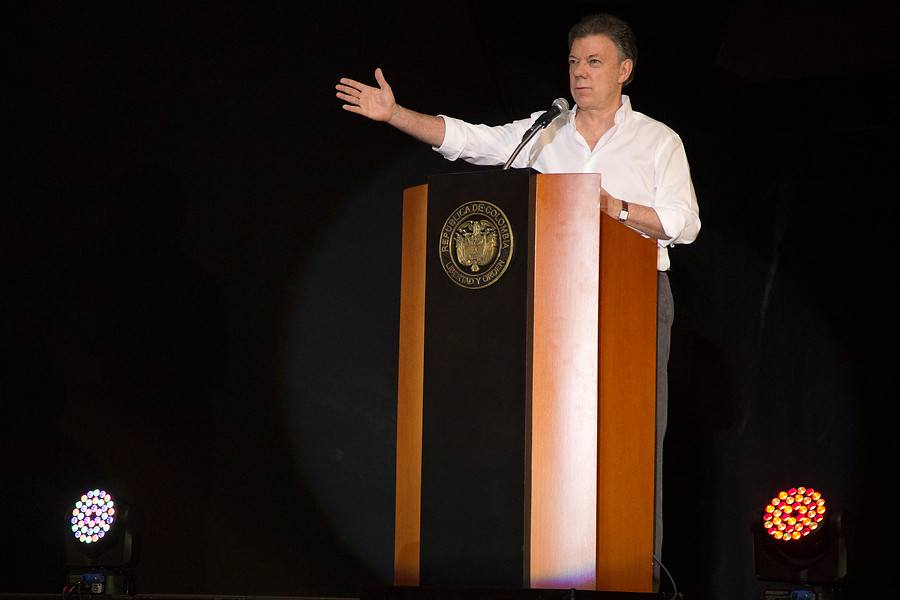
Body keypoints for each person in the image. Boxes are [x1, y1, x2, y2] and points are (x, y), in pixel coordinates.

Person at [337, 12, 700, 588]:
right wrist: (396, 114)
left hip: (631, 300)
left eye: (595, 62)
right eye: (574, 61)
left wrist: (618, 209)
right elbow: (469, 141)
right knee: (548, 437)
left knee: (630, 438)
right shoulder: (544, 131)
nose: (580, 73)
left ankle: (636, 575)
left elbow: (685, 223)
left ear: (624, 71)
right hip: (550, 306)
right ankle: (545, 567)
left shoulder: (659, 140)